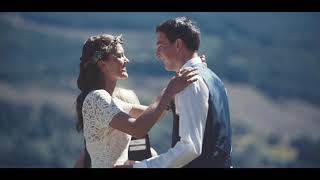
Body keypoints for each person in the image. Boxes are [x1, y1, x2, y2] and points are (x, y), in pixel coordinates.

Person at [74, 34, 198, 168]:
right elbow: (138, 129)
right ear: (102, 64)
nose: (126, 60)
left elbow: (157, 113)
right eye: (120, 56)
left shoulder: (113, 101)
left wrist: (192, 69)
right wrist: (170, 90)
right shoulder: (96, 98)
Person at [130, 17, 232, 168]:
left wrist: (140, 167)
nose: (157, 54)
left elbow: (189, 148)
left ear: (178, 44)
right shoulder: (213, 78)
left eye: (161, 46)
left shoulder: (189, 83)